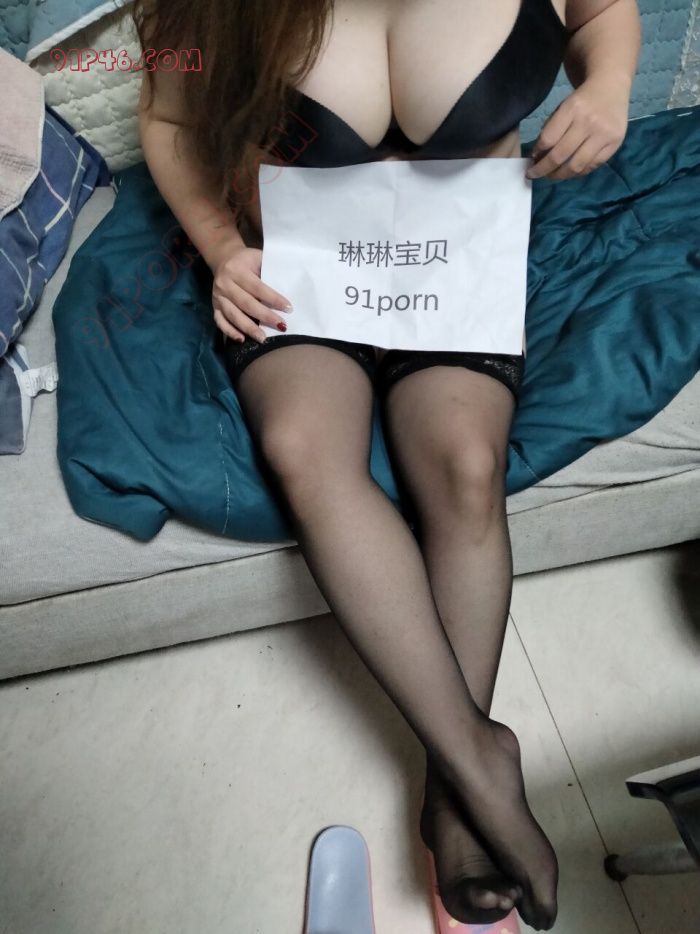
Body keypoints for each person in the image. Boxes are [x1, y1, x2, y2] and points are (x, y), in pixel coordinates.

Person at [134, 1, 640, 928]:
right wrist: (222, 251)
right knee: (300, 447)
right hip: (299, 270)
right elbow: (166, 118)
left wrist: (608, 85)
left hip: (456, 266)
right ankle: (476, 757)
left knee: (467, 465)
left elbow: (604, 10)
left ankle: (453, 792)